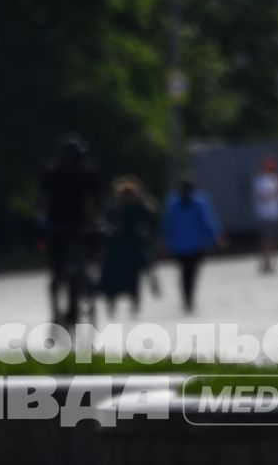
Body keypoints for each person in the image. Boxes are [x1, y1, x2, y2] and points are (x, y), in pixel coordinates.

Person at [40, 134, 100, 325]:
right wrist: (43, 221)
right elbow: (43, 199)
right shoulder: (52, 173)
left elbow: (96, 199)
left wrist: (98, 222)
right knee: (57, 273)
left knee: (83, 264)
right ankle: (56, 311)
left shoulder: (88, 173)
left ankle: (80, 295)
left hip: (80, 225)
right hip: (57, 226)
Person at [161, 174, 224, 315]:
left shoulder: (173, 203)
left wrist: (165, 242)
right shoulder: (199, 202)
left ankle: (186, 298)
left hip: (180, 245)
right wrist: (216, 238)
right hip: (196, 245)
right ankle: (189, 298)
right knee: (191, 273)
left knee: (184, 273)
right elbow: (208, 222)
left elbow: (167, 225)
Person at [97, 176, 158, 318]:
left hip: (133, 245)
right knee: (113, 276)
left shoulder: (138, 206)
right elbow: (107, 222)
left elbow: (152, 215)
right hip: (118, 245)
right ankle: (112, 302)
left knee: (135, 276)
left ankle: (134, 302)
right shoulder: (115, 207)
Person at [252, 156, 278, 272]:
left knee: (273, 239)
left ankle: (271, 260)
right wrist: (277, 191)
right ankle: (266, 262)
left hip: (275, 213)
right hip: (265, 214)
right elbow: (264, 196)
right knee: (266, 239)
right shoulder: (260, 180)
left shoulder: (275, 178)